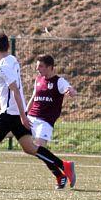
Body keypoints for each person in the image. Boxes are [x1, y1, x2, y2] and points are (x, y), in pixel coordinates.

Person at [0, 34, 76, 194]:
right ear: (7, 46)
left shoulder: (3, 65)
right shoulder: (12, 60)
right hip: (17, 113)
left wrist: (23, 116)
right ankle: (64, 165)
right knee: (30, 148)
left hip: (9, 115)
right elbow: (10, 86)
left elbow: (16, 90)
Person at [24, 54, 77, 189]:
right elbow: (33, 97)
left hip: (45, 122)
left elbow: (69, 89)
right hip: (31, 118)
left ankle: (60, 174)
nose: (38, 69)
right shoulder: (38, 80)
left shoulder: (59, 82)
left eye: (41, 66)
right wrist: (24, 114)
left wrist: (70, 91)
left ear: (50, 67)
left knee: (38, 149)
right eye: (37, 66)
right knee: (7, 130)